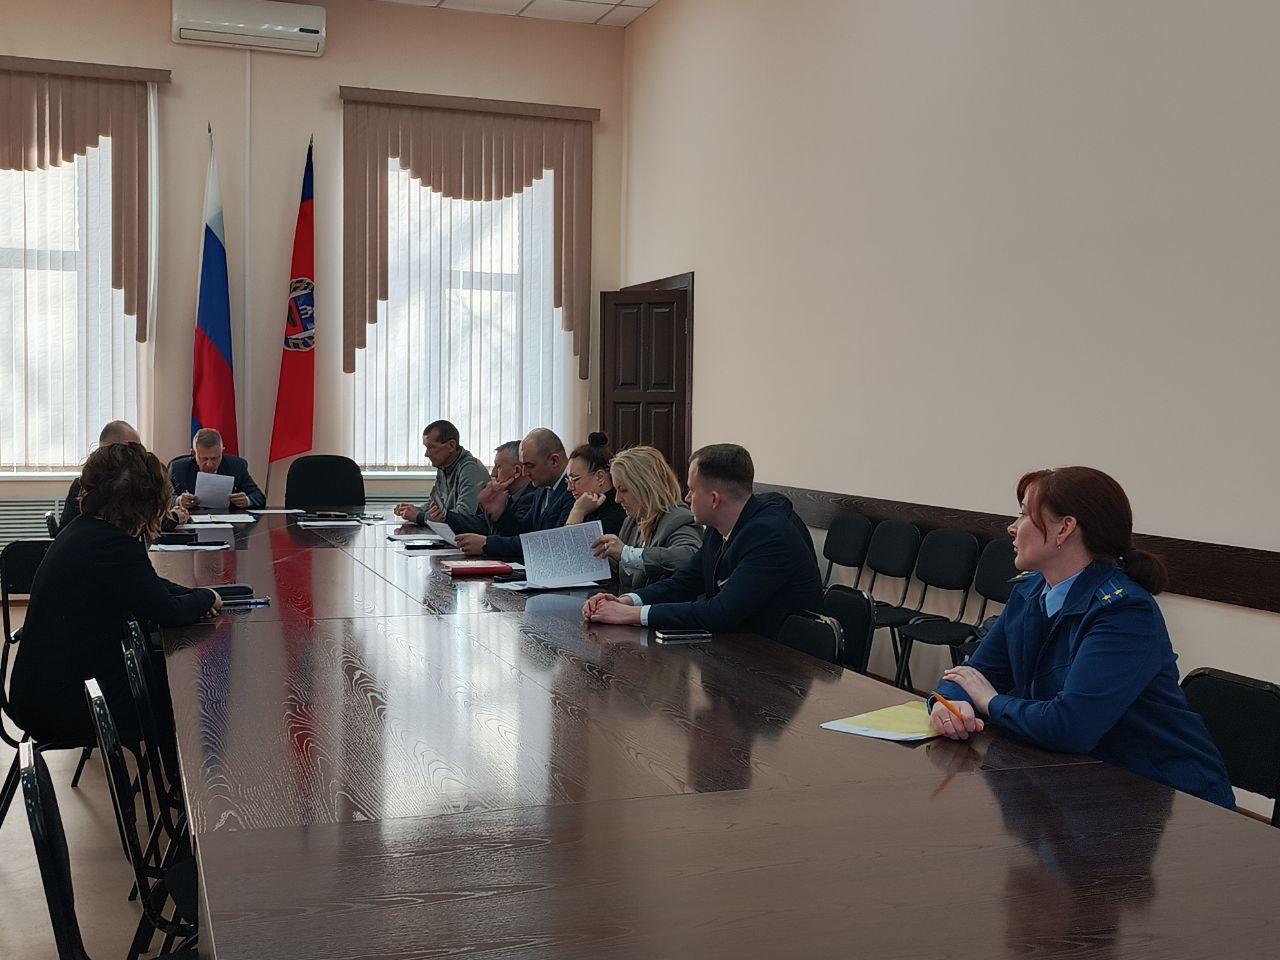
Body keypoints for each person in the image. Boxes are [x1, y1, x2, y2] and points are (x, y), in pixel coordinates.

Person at [928, 466, 1235, 810]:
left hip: (1163, 797)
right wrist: (949, 705)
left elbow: (1070, 726)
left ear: (1065, 528)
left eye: (1024, 515)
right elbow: (972, 674)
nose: (1013, 528)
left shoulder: (1124, 611)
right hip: (1077, 782)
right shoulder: (1032, 590)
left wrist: (989, 702)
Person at [8, 443, 221, 746]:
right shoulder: (115, 547)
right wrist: (208, 597)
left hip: (39, 690)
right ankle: (182, 774)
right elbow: (168, 612)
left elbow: (146, 585)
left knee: (164, 671)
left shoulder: (84, 530)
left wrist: (191, 594)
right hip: (64, 704)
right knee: (187, 692)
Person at [582, 443, 824, 640]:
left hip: (781, 662)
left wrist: (630, 615)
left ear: (714, 499)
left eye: (692, 490)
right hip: (740, 648)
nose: (686, 498)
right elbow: (685, 582)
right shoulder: (717, 529)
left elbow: (720, 612)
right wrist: (626, 601)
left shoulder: (769, 535)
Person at [590, 445, 702, 592]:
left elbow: (690, 556)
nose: (617, 499)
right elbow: (621, 570)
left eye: (623, 490)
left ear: (646, 487)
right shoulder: (632, 521)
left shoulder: (679, 518)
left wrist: (627, 553)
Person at [455, 428, 574, 560]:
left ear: (554, 461)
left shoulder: (574, 490)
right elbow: (523, 533)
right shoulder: (543, 488)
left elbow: (552, 544)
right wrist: (500, 513)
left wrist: (486, 544)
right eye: (523, 466)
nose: (525, 473)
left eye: (530, 465)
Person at [58, 420, 189, 532]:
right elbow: (140, 526)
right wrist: (174, 518)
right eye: (134, 451)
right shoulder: (113, 484)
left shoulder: (86, 482)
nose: (139, 458)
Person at [393, 420, 491, 526]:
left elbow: (463, 516)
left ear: (451, 446)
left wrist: (419, 517)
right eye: (426, 447)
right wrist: (416, 510)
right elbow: (435, 505)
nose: (426, 454)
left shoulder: (470, 469)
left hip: (473, 534)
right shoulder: (444, 465)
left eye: (431, 447)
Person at [171, 428, 265, 511]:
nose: (209, 464)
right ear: (194, 454)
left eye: (214, 458)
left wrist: (247, 501)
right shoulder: (178, 469)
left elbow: (259, 496)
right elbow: (164, 500)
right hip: (190, 521)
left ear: (222, 452)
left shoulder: (237, 466)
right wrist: (178, 501)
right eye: (204, 459)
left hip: (228, 521)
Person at [563, 433, 627, 536]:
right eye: (568, 481)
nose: (569, 488)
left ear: (600, 477)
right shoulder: (581, 503)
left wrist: (577, 512)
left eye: (575, 479)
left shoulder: (617, 514)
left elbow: (569, 544)